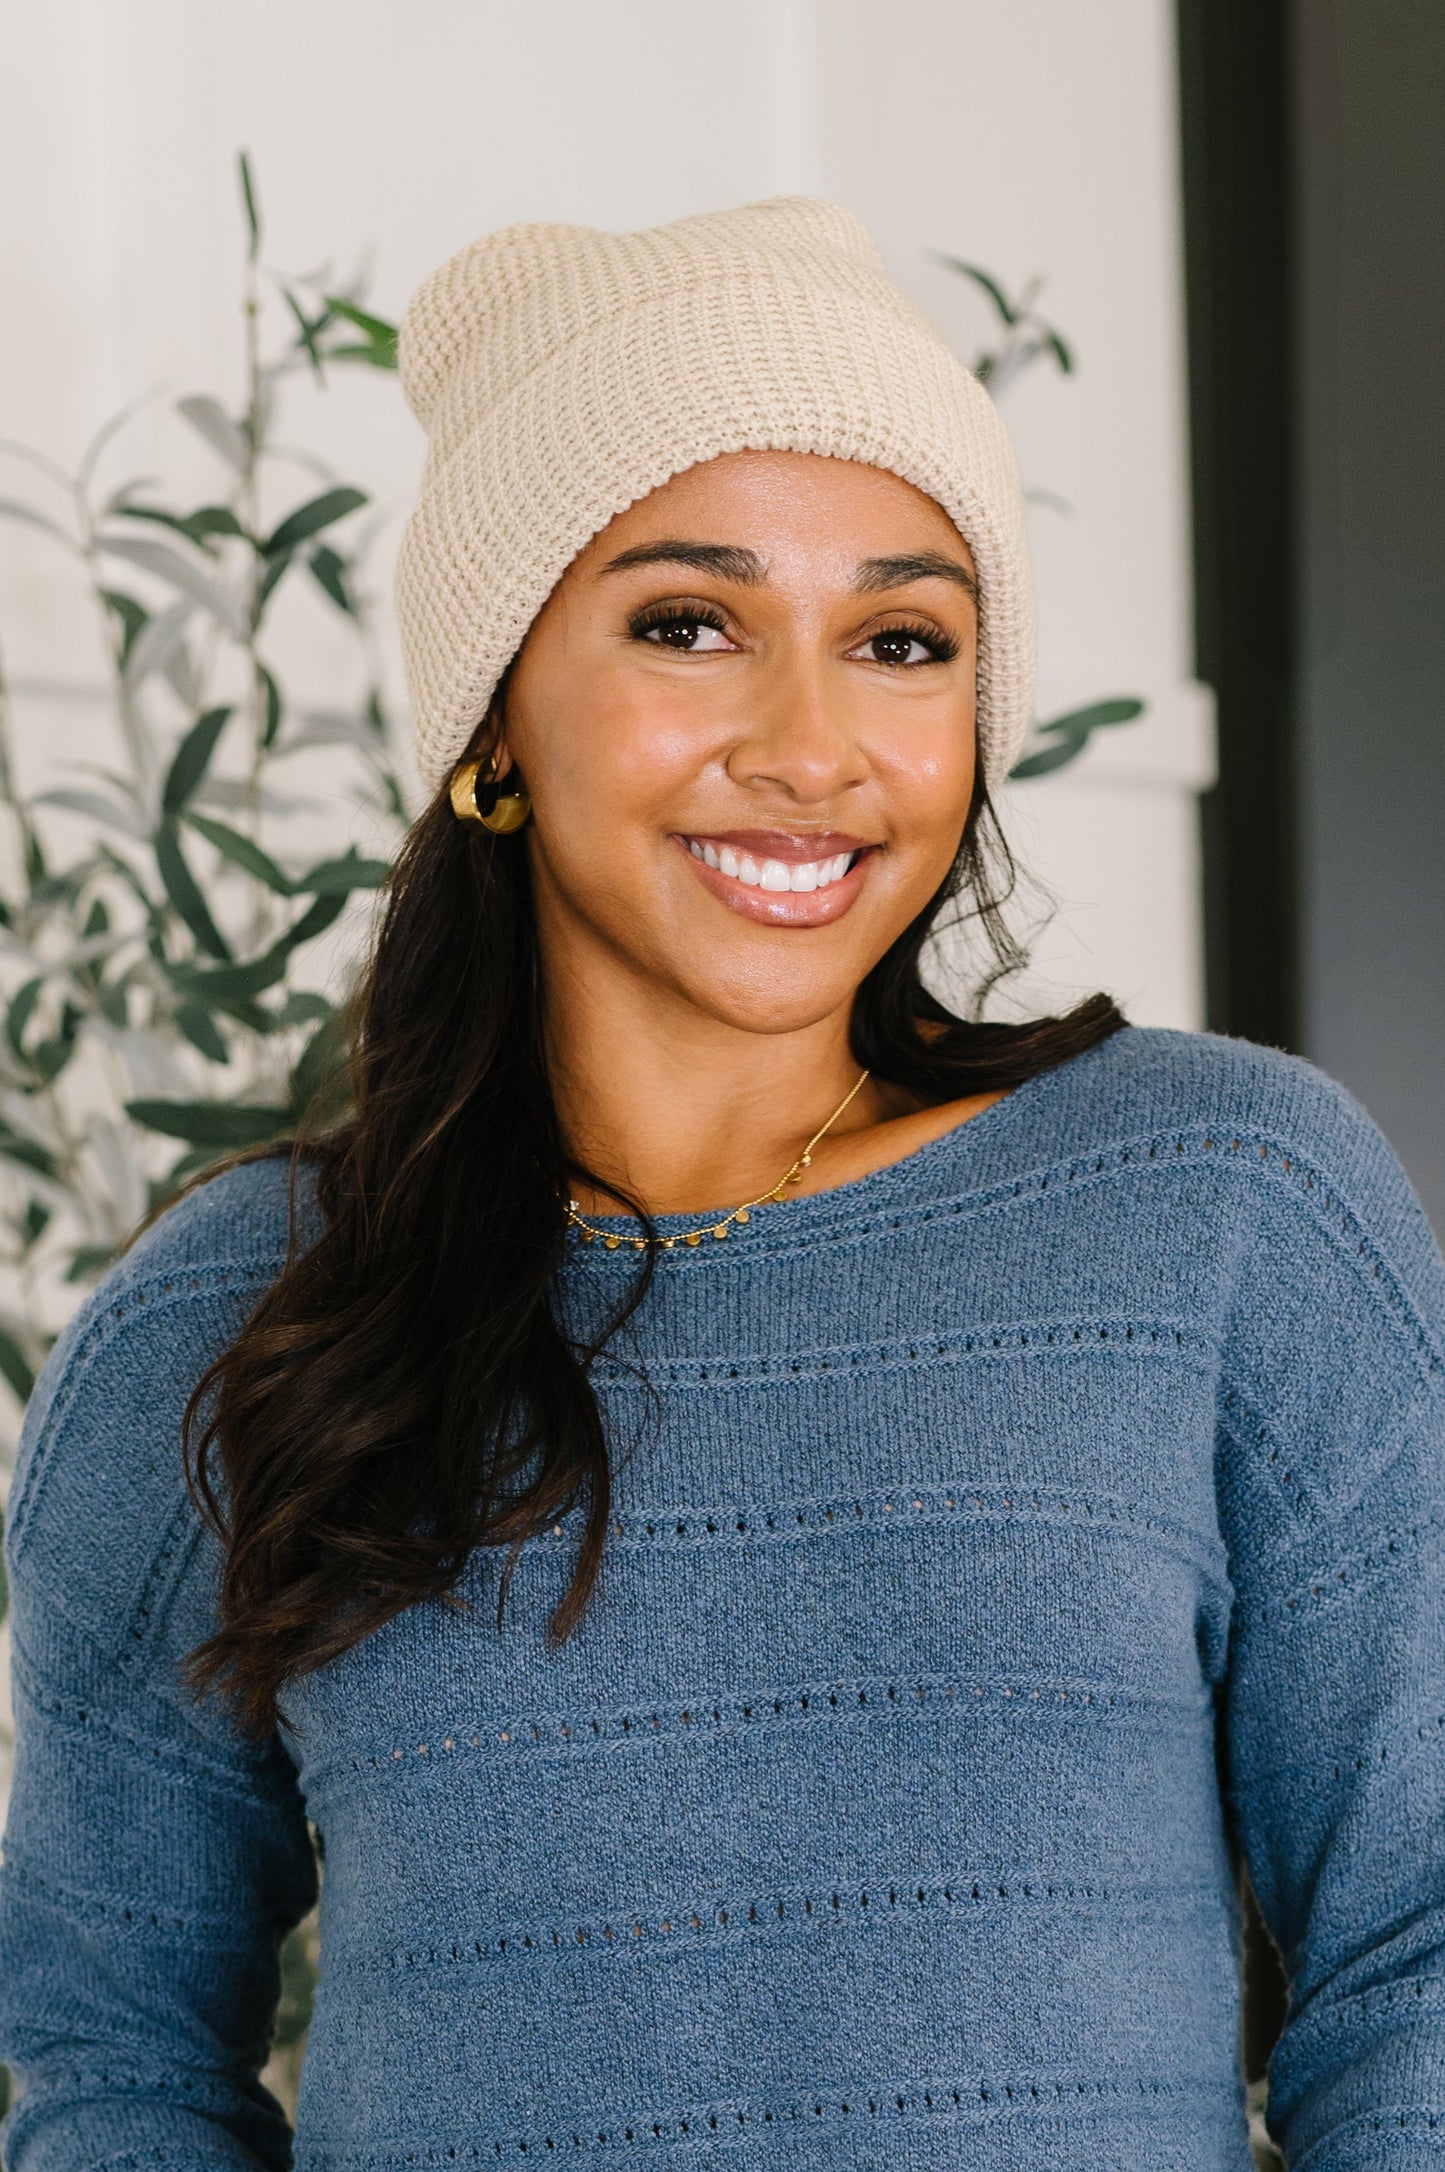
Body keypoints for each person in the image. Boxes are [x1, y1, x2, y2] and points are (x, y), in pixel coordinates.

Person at [1, 197, 1442, 2172]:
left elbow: (1422, 1951)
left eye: (903, 641)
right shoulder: (231, 1322)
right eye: (689, 623)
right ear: (496, 709)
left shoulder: (1229, 1211)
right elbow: (107, 2055)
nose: (813, 743)